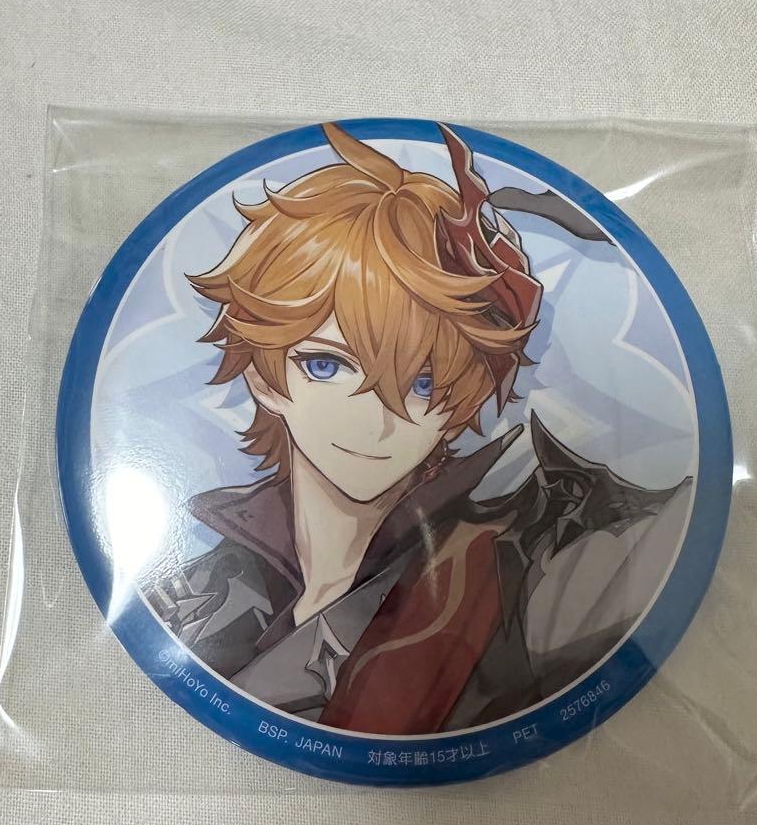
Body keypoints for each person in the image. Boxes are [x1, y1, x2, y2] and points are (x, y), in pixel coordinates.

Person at [142, 123, 689, 734]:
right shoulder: (203, 591)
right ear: (263, 379)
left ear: (464, 396)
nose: (377, 419)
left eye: (424, 382)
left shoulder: (522, 559)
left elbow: (630, 566)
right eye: (325, 365)